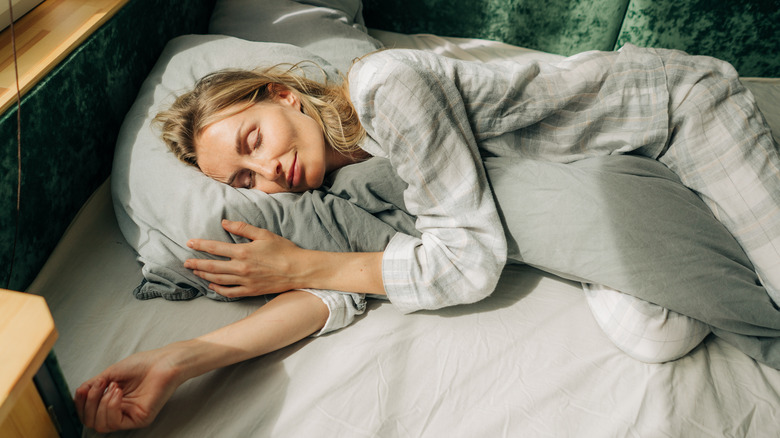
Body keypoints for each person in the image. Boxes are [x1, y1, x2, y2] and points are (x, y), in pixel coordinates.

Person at [76, 45, 780, 432]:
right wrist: (175, 360)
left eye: (253, 141)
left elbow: (464, 265)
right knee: (653, 335)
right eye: (246, 179)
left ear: (282, 95)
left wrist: (302, 262)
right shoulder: (341, 180)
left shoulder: (387, 87)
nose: (269, 175)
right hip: (589, 172)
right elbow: (341, 289)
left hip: (674, 111)